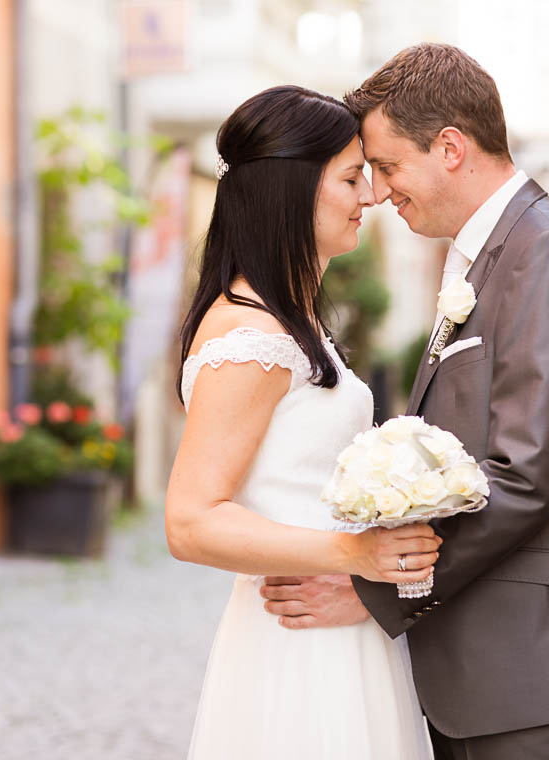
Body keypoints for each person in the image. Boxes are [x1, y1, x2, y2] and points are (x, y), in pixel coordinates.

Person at [259, 44, 549, 760]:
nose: (381, 191)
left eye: (387, 166)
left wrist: (377, 589)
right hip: (496, 663)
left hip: (541, 666)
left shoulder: (547, 253)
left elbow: (525, 471)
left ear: (450, 147)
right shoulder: (492, 254)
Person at [165, 85, 438, 759]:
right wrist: (350, 555)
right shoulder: (247, 334)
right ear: (292, 189)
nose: (371, 197)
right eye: (351, 177)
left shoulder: (296, 322)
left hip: (341, 621)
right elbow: (190, 521)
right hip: (298, 645)